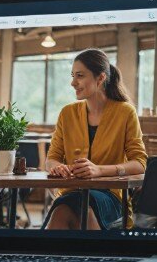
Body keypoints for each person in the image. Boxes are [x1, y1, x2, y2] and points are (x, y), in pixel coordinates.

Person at [44, 49, 147, 230]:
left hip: (110, 195)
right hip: (72, 192)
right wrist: (58, 168)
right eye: (72, 75)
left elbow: (140, 163)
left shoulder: (125, 112)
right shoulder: (67, 113)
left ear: (100, 79)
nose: (73, 82)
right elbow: (51, 159)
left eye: (80, 76)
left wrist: (99, 170)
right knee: (65, 209)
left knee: (79, 209)